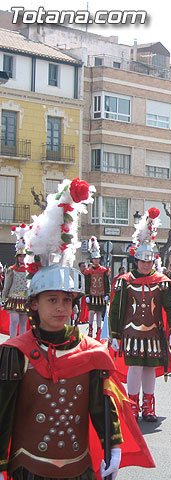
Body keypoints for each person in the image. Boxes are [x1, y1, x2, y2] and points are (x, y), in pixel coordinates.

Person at [0, 177, 154, 479]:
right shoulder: (14, 353)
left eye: (67, 300)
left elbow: (102, 408)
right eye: (52, 299)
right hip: (28, 469)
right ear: (34, 304)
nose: (60, 308)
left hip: (79, 468)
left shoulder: (92, 354)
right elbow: (3, 413)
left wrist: (114, 448)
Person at [109, 207, 171, 422]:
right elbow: (116, 309)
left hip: (154, 333)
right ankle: (132, 405)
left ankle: (148, 405)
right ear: (136, 262)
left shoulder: (163, 283)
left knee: (150, 369)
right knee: (135, 368)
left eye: (149, 262)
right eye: (142, 261)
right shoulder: (124, 281)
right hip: (131, 333)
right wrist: (114, 334)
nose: (146, 265)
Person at [1, 224, 29, 337]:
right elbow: (7, 285)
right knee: (14, 321)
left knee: (23, 322)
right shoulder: (11, 269)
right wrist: (4, 298)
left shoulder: (29, 270)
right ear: (17, 257)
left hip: (25, 299)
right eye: (20, 256)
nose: (22, 258)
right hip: (13, 298)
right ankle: (13, 341)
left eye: (23, 256)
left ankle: (21, 342)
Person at [84, 236, 110, 338]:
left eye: (97, 259)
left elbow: (106, 283)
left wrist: (107, 294)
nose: (96, 261)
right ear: (92, 260)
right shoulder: (88, 271)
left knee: (99, 313)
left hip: (101, 294)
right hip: (91, 294)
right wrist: (86, 295)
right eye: (94, 259)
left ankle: (98, 330)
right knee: (91, 312)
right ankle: (90, 329)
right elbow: (87, 284)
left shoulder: (104, 270)